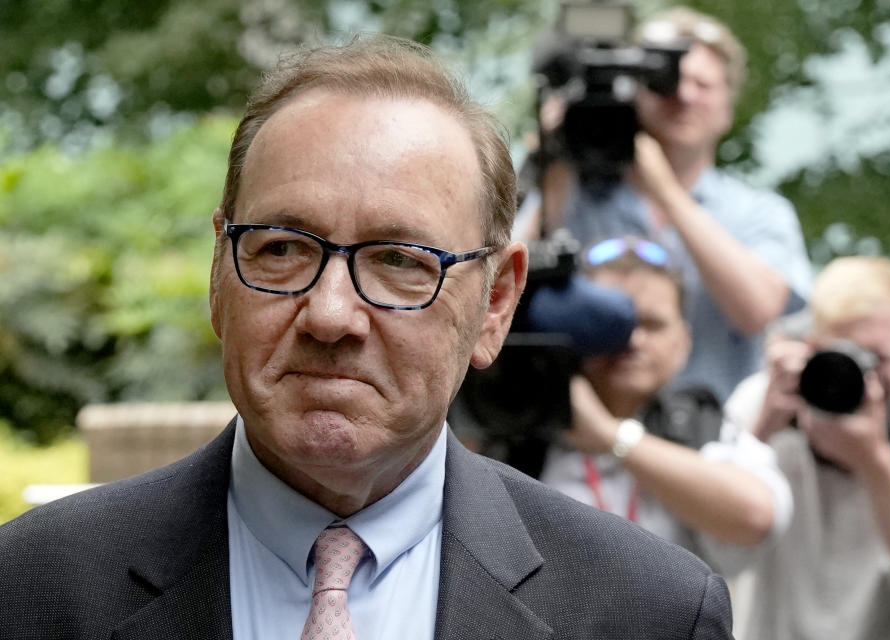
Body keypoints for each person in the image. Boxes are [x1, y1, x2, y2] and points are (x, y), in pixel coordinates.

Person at [0, 36, 734, 639]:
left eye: (399, 262)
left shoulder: (652, 612)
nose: (329, 315)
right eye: (283, 248)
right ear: (220, 271)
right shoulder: (32, 587)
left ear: (496, 305)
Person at [517, 7, 812, 401]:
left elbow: (758, 310)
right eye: (665, 81)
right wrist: (555, 168)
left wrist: (665, 191)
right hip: (581, 443)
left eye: (702, 85)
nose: (683, 95)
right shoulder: (578, 198)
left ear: (728, 108)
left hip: (710, 443)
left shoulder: (758, 212)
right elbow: (499, 287)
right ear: (633, 92)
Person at [725, 256, 890, 640]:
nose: (864, 378)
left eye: (878, 359)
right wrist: (762, 431)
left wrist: (873, 460)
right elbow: (719, 555)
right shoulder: (764, 401)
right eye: (846, 355)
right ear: (814, 345)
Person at [538, 235, 792, 575]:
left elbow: (759, 516)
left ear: (683, 342)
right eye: (612, 323)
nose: (633, 340)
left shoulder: (698, 422)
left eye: (652, 324)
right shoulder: (512, 413)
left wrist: (611, 436)